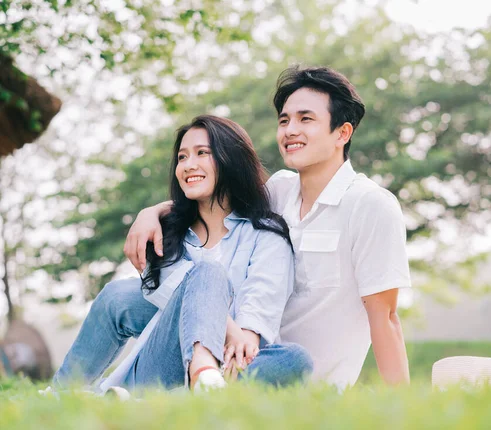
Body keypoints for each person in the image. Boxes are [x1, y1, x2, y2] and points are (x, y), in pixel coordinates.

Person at [126, 66, 411, 389]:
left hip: (301, 382)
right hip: (237, 358)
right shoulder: (279, 190)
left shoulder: (371, 205)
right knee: (128, 297)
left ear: (342, 133)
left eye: (306, 119)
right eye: (284, 120)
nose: (290, 130)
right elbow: (213, 202)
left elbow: (385, 317)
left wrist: (403, 411)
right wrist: (152, 214)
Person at [53, 115, 313, 394]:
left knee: (295, 360)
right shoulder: (167, 235)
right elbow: (169, 291)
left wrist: (243, 336)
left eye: (202, 153)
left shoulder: (266, 233)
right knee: (145, 288)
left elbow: (262, 303)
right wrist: (228, 329)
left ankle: (184, 392)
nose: (188, 165)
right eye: (182, 157)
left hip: (232, 361)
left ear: (231, 158)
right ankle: (200, 376)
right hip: (159, 368)